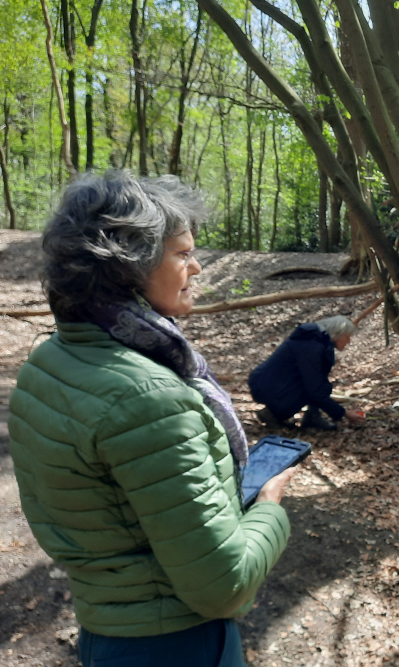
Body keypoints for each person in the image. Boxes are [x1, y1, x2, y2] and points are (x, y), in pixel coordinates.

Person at [9, 171, 296, 667]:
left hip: (107, 632)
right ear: (129, 269)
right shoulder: (150, 397)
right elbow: (222, 586)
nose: (198, 267)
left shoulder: (50, 362)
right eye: (183, 254)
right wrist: (270, 506)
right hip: (177, 645)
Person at [249, 315, 364, 431]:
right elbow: (314, 390)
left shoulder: (317, 342)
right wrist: (344, 413)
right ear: (337, 334)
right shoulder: (312, 346)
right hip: (266, 387)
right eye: (347, 337)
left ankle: (312, 417)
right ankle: (271, 414)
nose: (348, 341)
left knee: (323, 386)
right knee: (313, 389)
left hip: (271, 384)